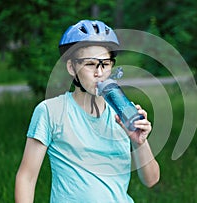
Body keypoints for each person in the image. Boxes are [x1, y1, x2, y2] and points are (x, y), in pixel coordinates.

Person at [15, 19, 160, 203]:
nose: (99, 73)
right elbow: (26, 178)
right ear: (71, 67)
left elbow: (151, 180)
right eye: (90, 64)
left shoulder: (125, 114)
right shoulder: (51, 111)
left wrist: (140, 143)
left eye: (105, 64)